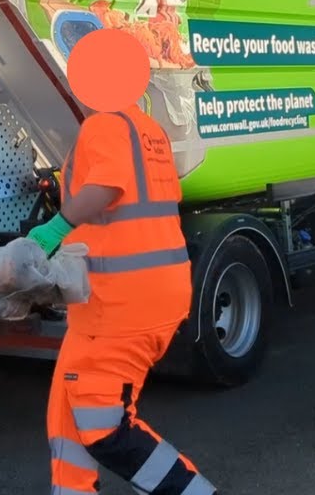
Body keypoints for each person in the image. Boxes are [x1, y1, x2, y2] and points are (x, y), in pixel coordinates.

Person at [26, 27, 217, 495]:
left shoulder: (104, 125)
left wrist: (55, 229)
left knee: (102, 425)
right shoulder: (148, 131)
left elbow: (106, 188)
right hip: (128, 297)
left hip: (121, 304)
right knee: (67, 412)